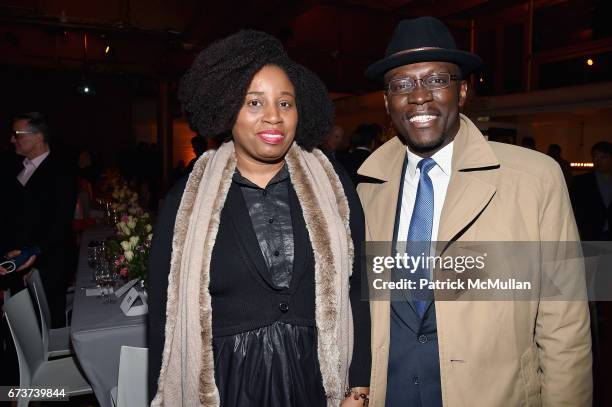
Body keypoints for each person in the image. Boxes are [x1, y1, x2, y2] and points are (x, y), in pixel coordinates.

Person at [357, 17, 591, 406]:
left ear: (462, 91)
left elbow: (564, 327)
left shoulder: (534, 179)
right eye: (402, 85)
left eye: (436, 80)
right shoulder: (365, 191)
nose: (419, 96)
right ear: (387, 102)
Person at [148, 30, 370, 407]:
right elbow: (162, 314)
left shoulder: (333, 185)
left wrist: (359, 385)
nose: (273, 117)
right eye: (254, 102)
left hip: (317, 377)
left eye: (285, 103)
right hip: (226, 382)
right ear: (227, 109)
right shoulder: (185, 198)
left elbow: (360, 285)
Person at [0, 112, 76, 328]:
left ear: (38, 136)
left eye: (17, 134)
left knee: (47, 326)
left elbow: (60, 223)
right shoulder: (15, 167)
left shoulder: (61, 171)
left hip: (47, 264)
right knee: (20, 327)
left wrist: (35, 252)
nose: (12, 139)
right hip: (14, 261)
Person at [570, 141, 612, 241]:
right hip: (590, 233)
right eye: (595, 157)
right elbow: (574, 206)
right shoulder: (581, 181)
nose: (598, 161)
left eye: (603, 157)